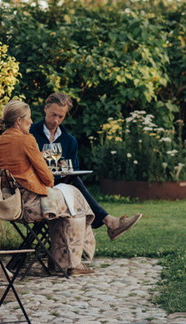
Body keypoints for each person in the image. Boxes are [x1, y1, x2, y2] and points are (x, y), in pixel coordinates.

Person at [0, 100, 96, 275]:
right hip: (32, 205)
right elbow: (48, 178)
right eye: (28, 119)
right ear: (18, 121)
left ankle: (60, 262)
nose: (31, 122)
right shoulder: (26, 140)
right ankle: (70, 264)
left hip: (11, 203)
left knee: (67, 205)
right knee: (75, 205)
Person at [30, 92, 141, 239]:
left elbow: (73, 170)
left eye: (61, 117)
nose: (56, 121)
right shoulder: (30, 133)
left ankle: (108, 222)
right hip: (37, 184)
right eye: (53, 115)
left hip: (59, 185)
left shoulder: (69, 141)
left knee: (73, 180)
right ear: (45, 109)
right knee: (74, 183)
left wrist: (64, 167)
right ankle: (109, 221)